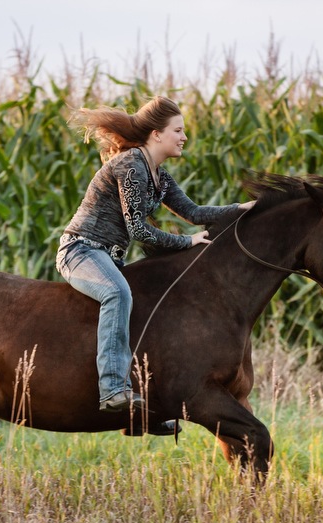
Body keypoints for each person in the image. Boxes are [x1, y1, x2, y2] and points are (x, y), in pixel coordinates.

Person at [56, 96, 254, 413]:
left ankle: (153, 406)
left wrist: (245, 210)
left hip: (110, 257)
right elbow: (138, 228)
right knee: (117, 294)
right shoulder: (131, 165)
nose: (184, 137)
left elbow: (193, 211)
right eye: (178, 130)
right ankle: (111, 388)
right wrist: (187, 243)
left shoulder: (158, 175)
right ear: (157, 134)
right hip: (81, 250)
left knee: (145, 302)